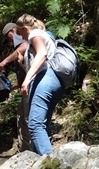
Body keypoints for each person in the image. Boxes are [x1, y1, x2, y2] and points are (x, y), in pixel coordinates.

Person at [15, 14, 64, 155]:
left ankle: (49, 166)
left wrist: (26, 79)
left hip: (45, 79)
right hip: (54, 80)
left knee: (35, 124)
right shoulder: (45, 36)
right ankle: (40, 161)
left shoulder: (34, 34)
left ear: (24, 29)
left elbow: (42, 54)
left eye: (19, 33)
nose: (21, 37)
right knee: (41, 125)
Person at [0, 23, 31, 152]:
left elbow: (23, 47)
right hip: (26, 87)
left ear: (12, 31)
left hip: (30, 87)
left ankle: (28, 150)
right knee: (22, 115)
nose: (10, 41)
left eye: (8, 37)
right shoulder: (21, 43)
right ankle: (25, 148)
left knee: (26, 117)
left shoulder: (21, 38)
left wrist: (4, 61)